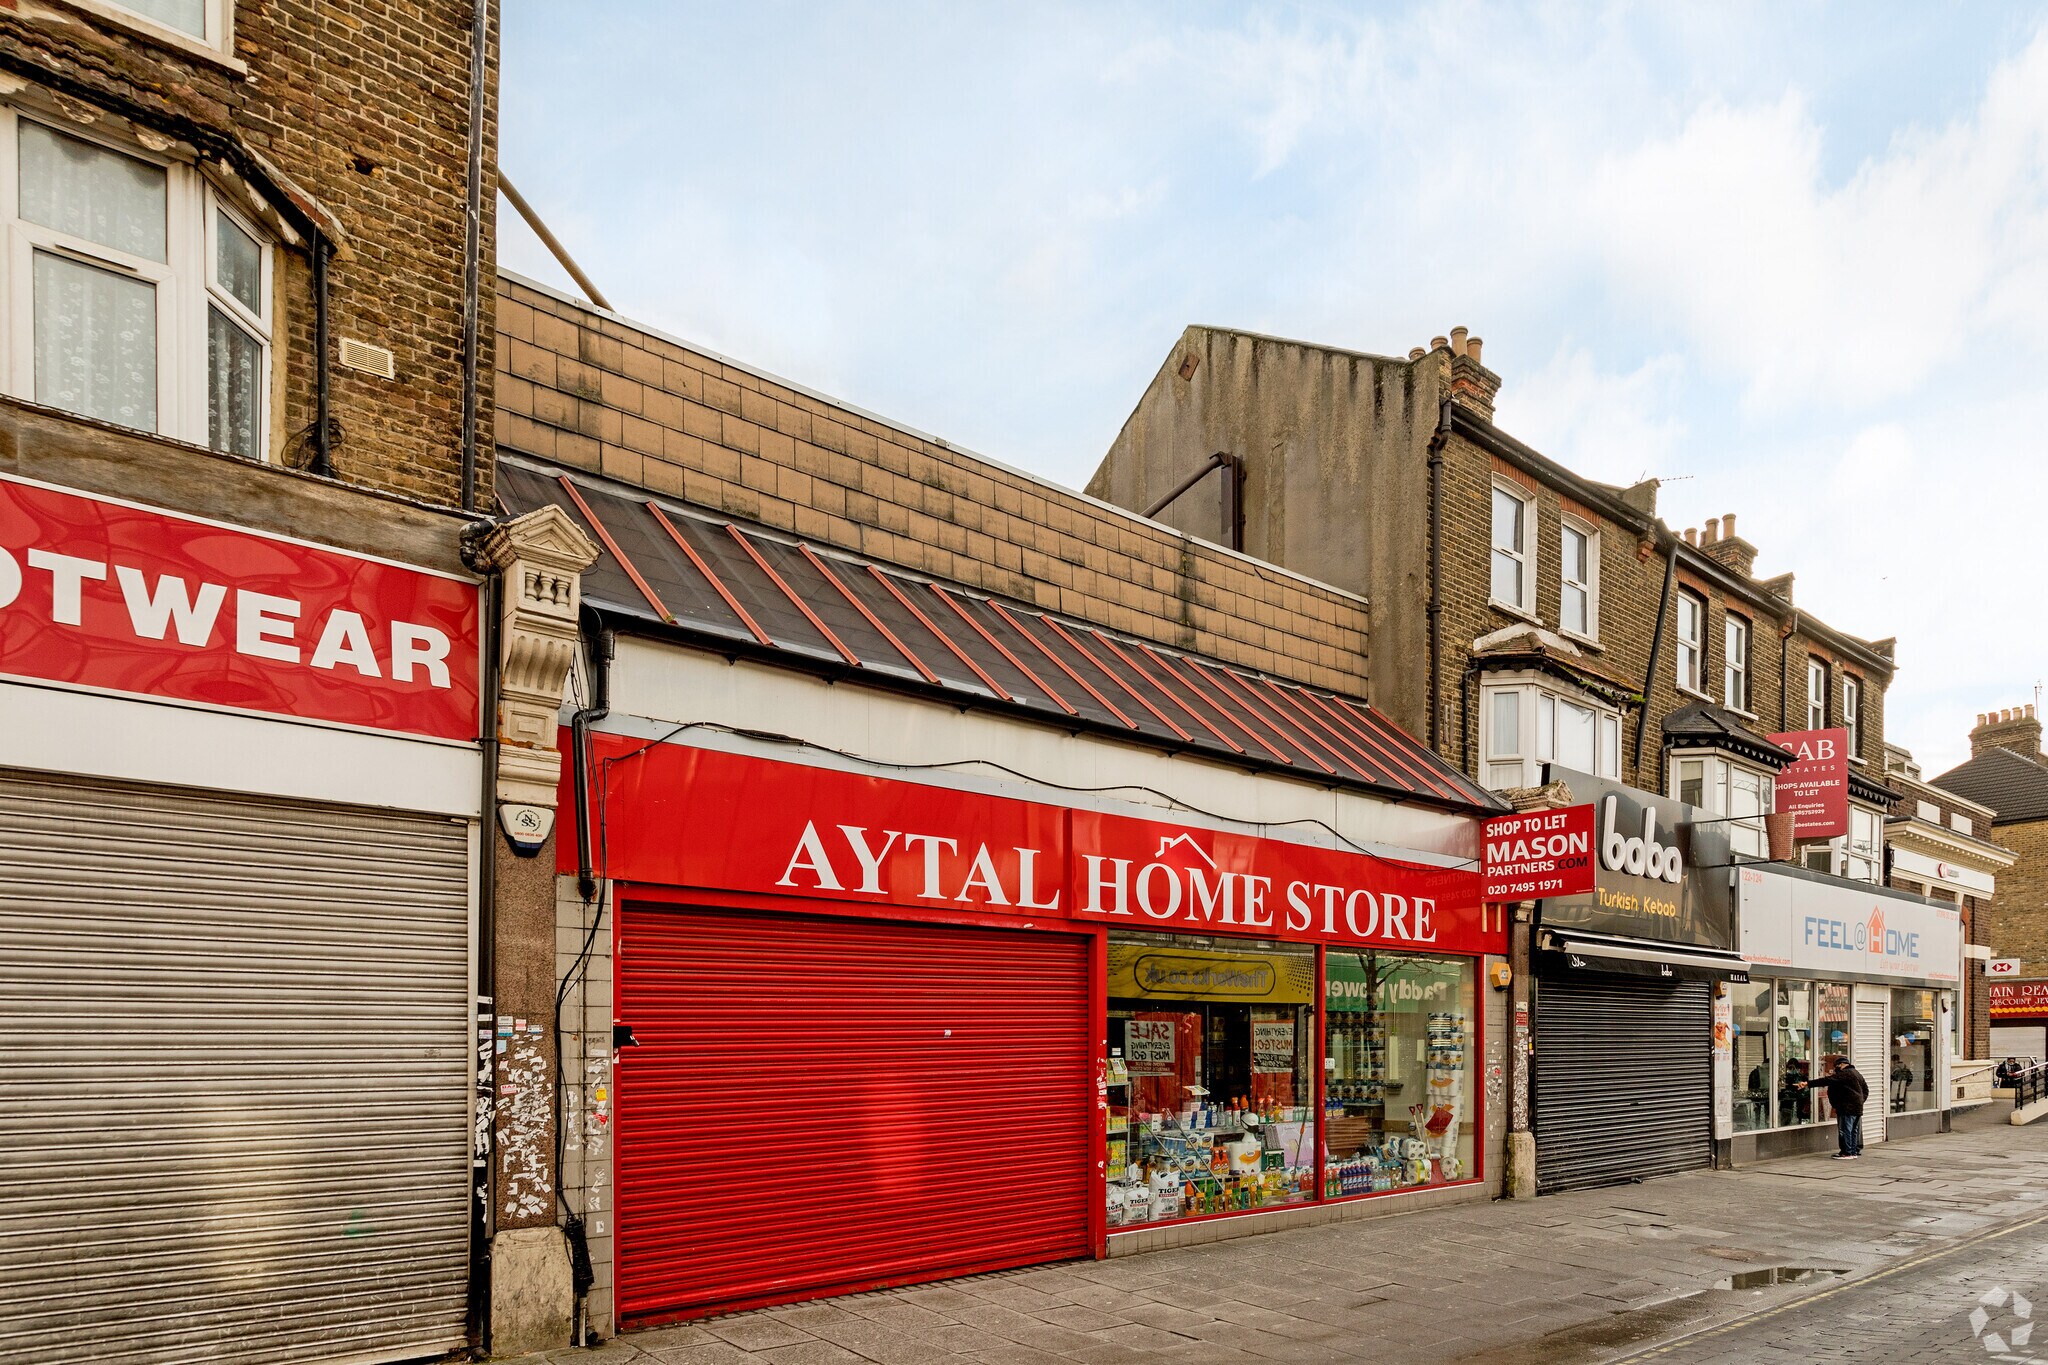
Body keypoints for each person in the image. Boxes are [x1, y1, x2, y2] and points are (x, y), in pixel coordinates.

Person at [1801, 1057, 1869, 1159]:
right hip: (1856, 1107)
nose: (1836, 1070)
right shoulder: (1856, 1073)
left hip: (1847, 1107)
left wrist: (1808, 1083)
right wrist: (1859, 1101)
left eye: (1836, 1067)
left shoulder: (1845, 1074)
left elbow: (1827, 1080)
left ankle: (1847, 1152)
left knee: (1845, 1130)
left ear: (1841, 1065)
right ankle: (1853, 1152)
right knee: (1854, 1130)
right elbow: (1866, 1090)